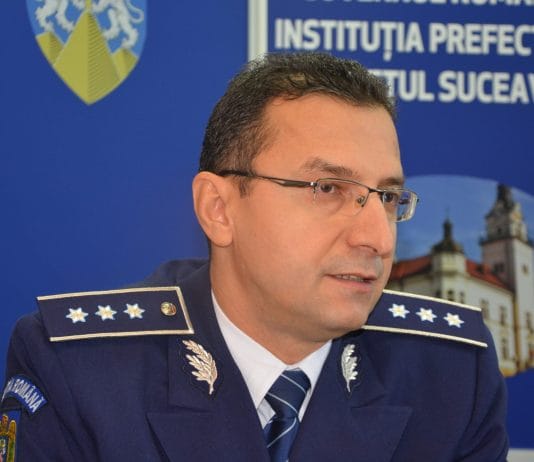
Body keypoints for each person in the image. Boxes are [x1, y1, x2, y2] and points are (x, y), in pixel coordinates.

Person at [1, 53, 507, 461]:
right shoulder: (80, 372)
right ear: (219, 209)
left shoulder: (452, 374)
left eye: (388, 197)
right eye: (328, 188)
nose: (378, 238)